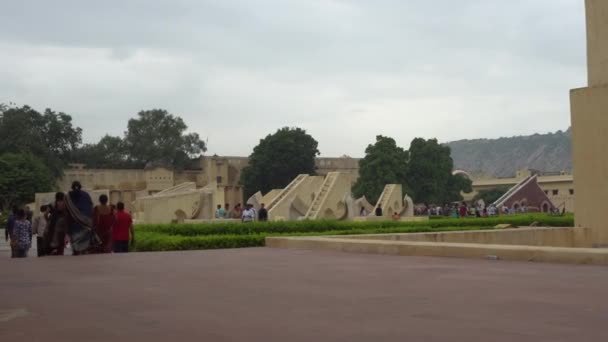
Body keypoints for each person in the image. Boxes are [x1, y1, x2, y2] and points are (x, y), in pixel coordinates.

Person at [65, 181, 97, 255]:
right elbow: (91, 208)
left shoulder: (68, 196)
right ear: (80, 187)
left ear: (72, 187)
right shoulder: (86, 195)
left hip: (73, 222)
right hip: (85, 222)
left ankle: (76, 252)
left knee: (75, 241)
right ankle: (83, 252)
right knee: (84, 242)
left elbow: (66, 210)